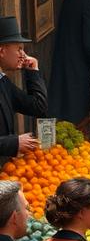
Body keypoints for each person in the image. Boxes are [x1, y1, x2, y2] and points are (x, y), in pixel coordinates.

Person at [0, 17, 48, 162]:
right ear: (2, 51)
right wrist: (14, 143)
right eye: (19, 49)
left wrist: (32, 71)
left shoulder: (3, 82)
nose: (23, 55)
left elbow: (38, 107)